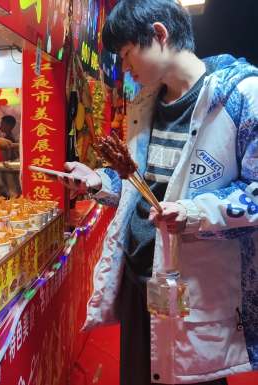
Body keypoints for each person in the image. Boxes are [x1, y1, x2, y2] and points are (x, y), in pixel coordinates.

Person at [58, 1, 258, 384]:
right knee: (139, 372)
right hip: (140, 275)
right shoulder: (144, 103)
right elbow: (141, 186)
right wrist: (98, 181)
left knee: (191, 373)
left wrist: (194, 212)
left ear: (160, 35)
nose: (125, 66)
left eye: (127, 53)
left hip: (197, 287)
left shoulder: (241, 97)